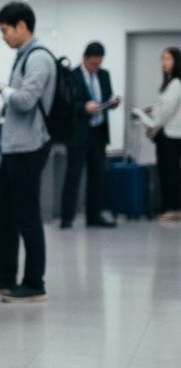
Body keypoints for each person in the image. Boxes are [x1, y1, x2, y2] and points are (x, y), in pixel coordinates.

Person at [0, 1, 56, 303]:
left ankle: (34, 282)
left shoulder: (38, 59)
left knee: (27, 217)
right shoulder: (23, 57)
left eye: (5, 30)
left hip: (29, 148)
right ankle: (6, 275)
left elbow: (24, 101)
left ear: (22, 26)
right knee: (6, 215)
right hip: (13, 147)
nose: (3, 36)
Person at [61, 41, 120, 228]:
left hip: (98, 133)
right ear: (84, 58)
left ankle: (94, 216)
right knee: (73, 177)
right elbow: (66, 104)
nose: (96, 67)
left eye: (99, 64)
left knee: (97, 177)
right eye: (93, 64)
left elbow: (107, 96)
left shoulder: (104, 75)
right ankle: (67, 217)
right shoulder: (72, 76)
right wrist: (83, 107)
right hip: (78, 134)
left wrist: (112, 103)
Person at [147, 46, 181, 220]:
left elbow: (168, 110)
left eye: (168, 59)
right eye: (162, 59)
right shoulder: (169, 83)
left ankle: (173, 209)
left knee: (170, 172)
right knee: (168, 171)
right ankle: (170, 208)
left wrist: (154, 126)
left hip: (170, 134)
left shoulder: (176, 83)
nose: (163, 63)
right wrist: (152, 111)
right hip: (169, 133)